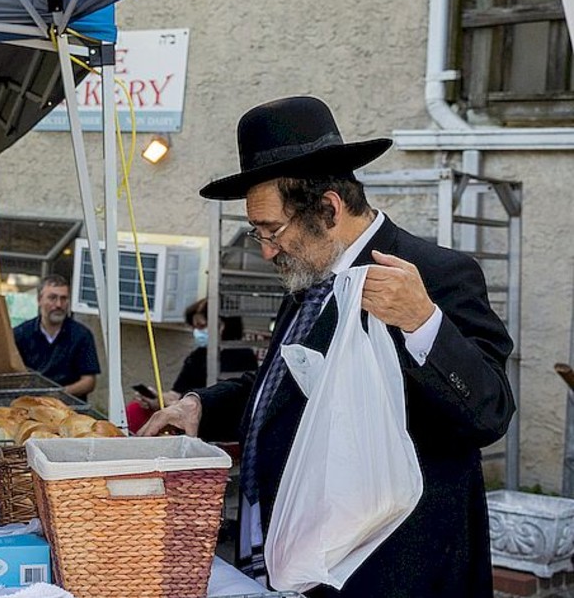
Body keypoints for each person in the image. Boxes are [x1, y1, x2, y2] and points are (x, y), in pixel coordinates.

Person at [139, 96, 513, 597]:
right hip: (300, 563)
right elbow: (279, 385)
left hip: (393, 573)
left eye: (272, 231)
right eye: (258, 233)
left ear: (329, 208)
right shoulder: (310, 275)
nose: (267, 249)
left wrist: (425, 323)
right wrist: (199, 405)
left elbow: (490, 413)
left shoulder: (438, 274)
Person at [127, 298, 259, 432]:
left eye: (201, 326)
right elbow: (176, 393)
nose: (197, 332)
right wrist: (156, 398)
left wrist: (178, 404)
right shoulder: (197, 355)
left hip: (212, 419)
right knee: (135, 410)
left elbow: (226, 402)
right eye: (194, 327)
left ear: (222, 325)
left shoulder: (241, 355)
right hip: (186, 406)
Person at [12, 274, 100, 398]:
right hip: (29, 404)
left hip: (68, 408)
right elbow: (12, 374)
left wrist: (59, 393)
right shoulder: (20, 333)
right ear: (39, 300)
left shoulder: (82, 335)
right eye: (52, 298)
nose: (58, 304)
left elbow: (89, 381)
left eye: (63, 298)